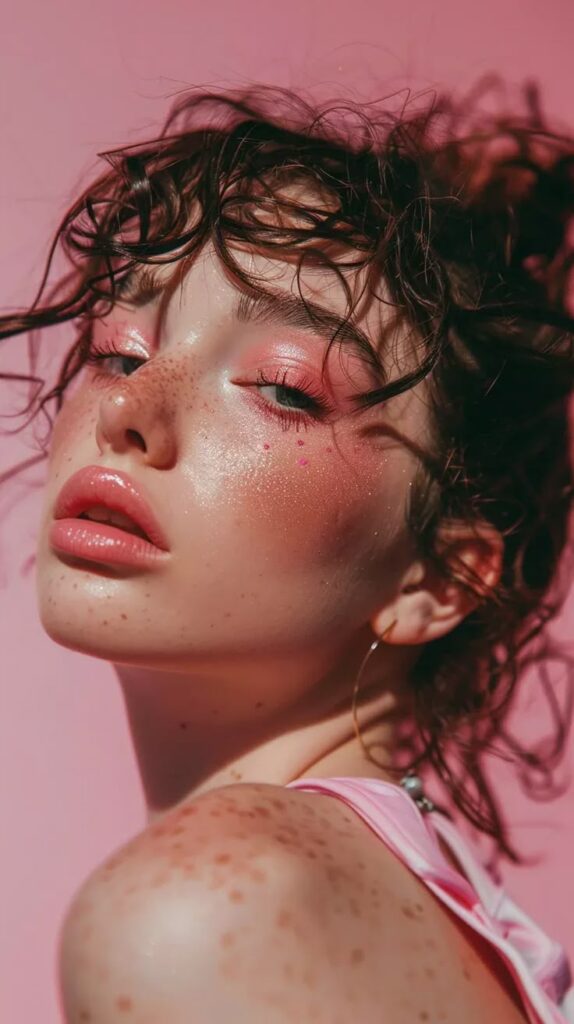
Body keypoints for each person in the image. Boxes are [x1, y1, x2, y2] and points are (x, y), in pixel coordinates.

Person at [2, 77, 574, 1023]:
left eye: (283, 387)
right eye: (121, 349)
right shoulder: (416, 916)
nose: (129, 412)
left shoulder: (205, 912)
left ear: (441, 576)